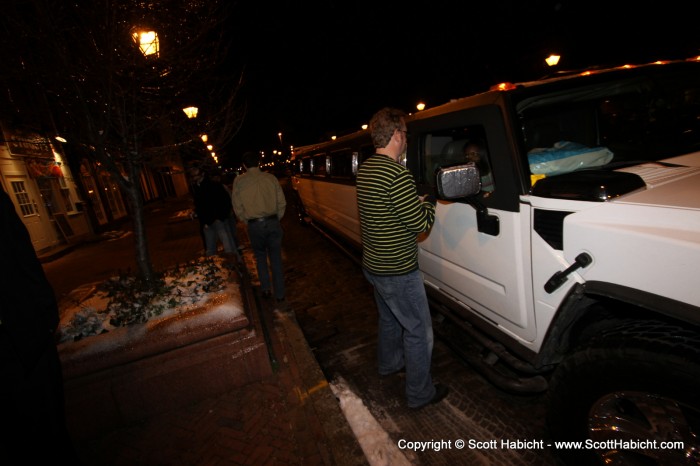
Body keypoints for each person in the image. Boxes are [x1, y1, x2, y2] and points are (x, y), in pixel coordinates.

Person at [356, 107, 448, 409]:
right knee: (419, 331)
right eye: (405, 133)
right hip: (398, 270)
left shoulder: (367, 169)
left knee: (390, 319)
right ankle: (420, 393)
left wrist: (413, 202)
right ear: (396, 135)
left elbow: (386, 212)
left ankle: (388, 364)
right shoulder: (397, 173)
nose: (406, 139)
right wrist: (430, 201)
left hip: (374, 264)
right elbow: (421, 225)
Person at [0, 188, 82, 463]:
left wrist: (44, 320)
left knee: (46, 428)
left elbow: (21, 257)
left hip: (24, 336)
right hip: (22, 338)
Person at [232, 151, 287, 303]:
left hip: (255, 225)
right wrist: (276, 218)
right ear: (258, 162)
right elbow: (281, 202)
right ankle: (280, 294)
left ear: (244, 165)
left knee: (260, 257)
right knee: (276, 258)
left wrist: (246, 220)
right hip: (272, 222)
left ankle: (265, 289)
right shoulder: (270, 178)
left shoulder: (239, 181)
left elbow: (237, 206)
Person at [188, 166, 239, 259]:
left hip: (217, 220)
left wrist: (220, 216)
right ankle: (214, 268)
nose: (194, 178)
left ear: (202, 174)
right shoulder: (196, 188)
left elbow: (225, 201)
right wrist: (196, 212)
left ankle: (237, 265)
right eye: (192, 176)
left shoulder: (213, 185)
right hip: (207, 222)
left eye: (196, 176)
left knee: (229, 248)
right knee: (211, 250)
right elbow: (200, 205)